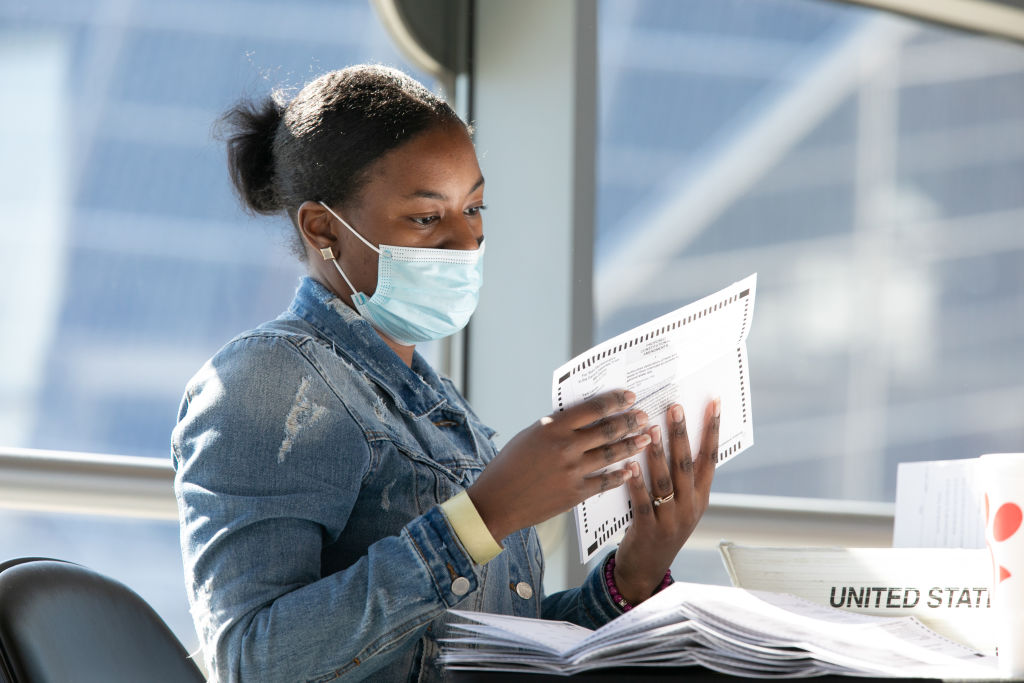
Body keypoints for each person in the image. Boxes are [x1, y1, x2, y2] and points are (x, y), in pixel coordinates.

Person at [171, 64, 720, 683]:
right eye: (427, 219)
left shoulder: (432, 404)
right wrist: (479, 520)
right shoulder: (267, 379)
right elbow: (251, 662)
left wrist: (635, 573)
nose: (466, 243)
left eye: (475, 208)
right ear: (323, 228)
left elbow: (487, 645)